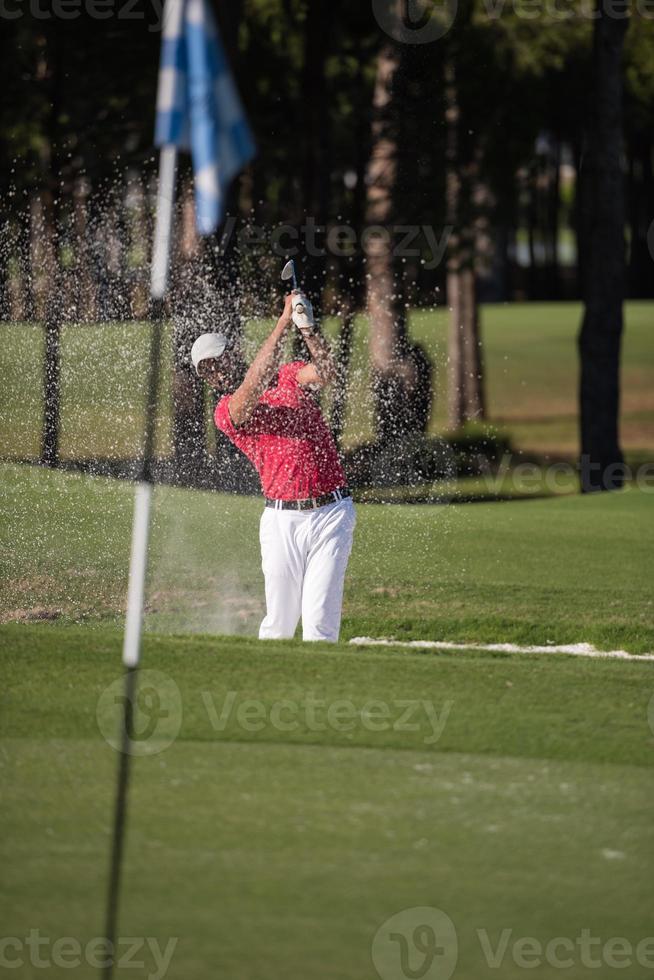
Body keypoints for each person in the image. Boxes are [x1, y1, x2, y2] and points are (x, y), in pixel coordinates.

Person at [191, 290, 355, 643]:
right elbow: (251, 386)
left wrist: (307, 328)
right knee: (279, 626)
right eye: (206, 371)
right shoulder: (226, 412)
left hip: (332, 514)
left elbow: (327, 373)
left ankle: (318, 695)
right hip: (282, 521)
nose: (214, 373)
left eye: (216, 362)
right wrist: (283, 321)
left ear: (232, 355)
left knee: (320, 627)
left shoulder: (289, 375)